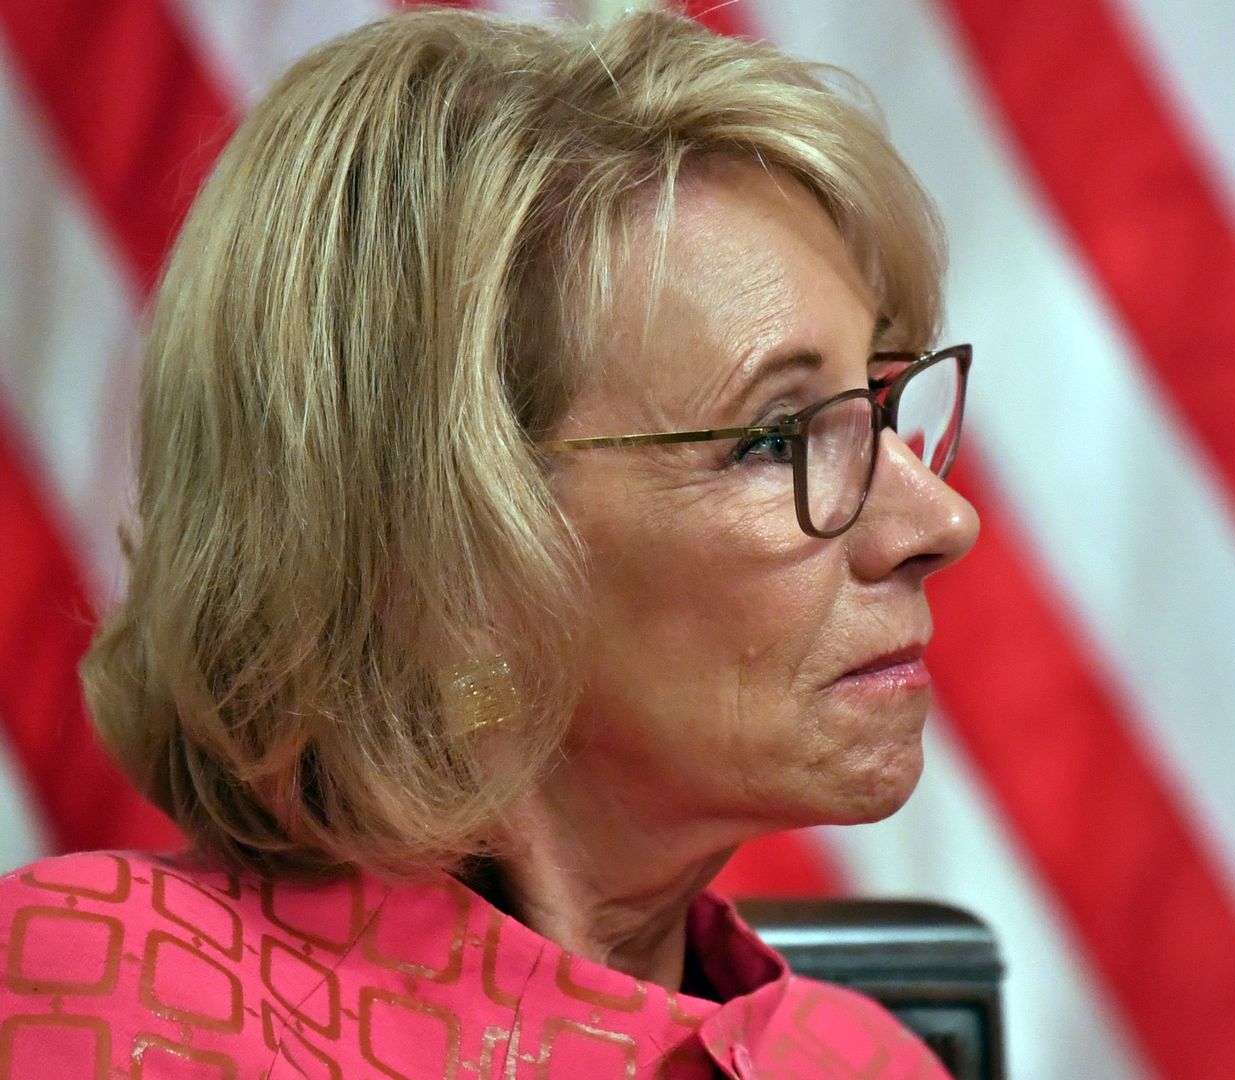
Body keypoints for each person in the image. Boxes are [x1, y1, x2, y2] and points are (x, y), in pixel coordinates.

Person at [0, 8, 978, 1078]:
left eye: (882, 405)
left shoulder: (867, 1062)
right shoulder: (117, 988)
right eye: (776, 436)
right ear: (445, 551)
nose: (938, 522)